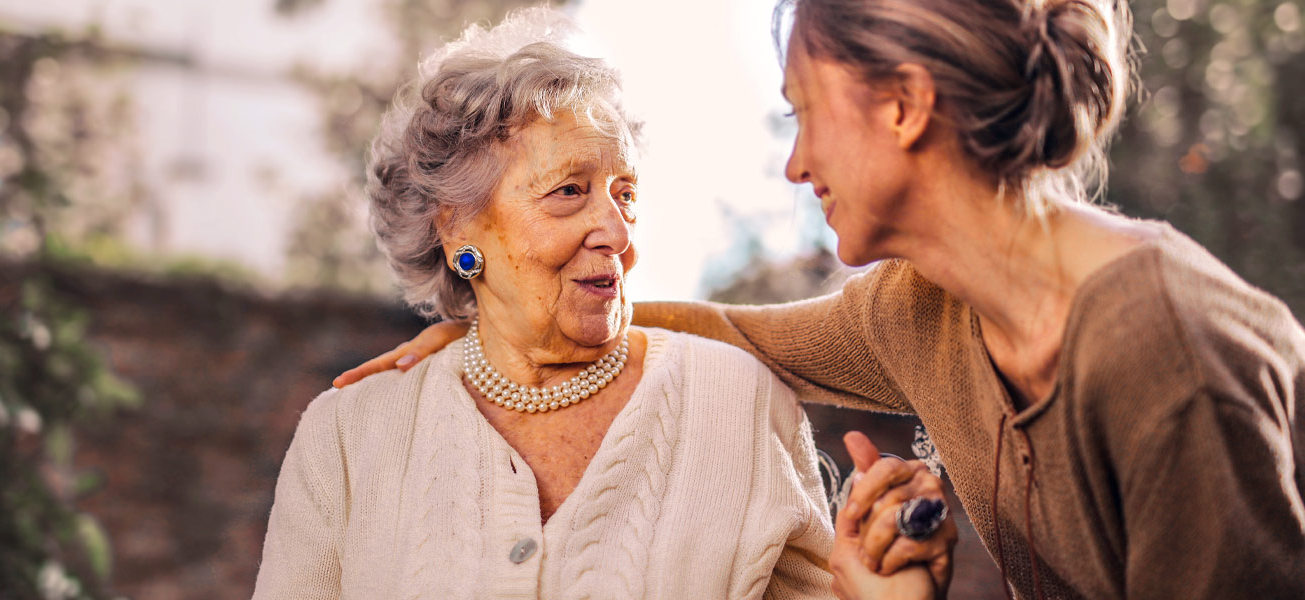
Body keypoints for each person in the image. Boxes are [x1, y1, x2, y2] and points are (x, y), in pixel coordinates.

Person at [336, 0, 1305, 598]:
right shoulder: (922, 310)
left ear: (904, 105)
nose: (796, 164)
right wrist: (494, 329)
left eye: (804, 114)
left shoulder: (1165, 352)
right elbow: (727, 332)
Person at [253, 8, 954, 599]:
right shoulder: (348, 438)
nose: (618, 234)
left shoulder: (737, 403)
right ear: (457, 227)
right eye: (569, 192)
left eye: (626, 194)